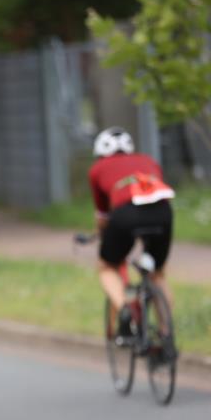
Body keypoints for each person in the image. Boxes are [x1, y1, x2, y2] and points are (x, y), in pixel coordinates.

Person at [88, 127, 175, 339]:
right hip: (163, 212)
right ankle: (166, 335)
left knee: (106, 267)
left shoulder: (97, 169)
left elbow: (103, 215)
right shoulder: (148, 160)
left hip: (125, 214)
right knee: (157, 273)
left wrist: (101, 235)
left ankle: (125, 311)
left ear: (100, 152)